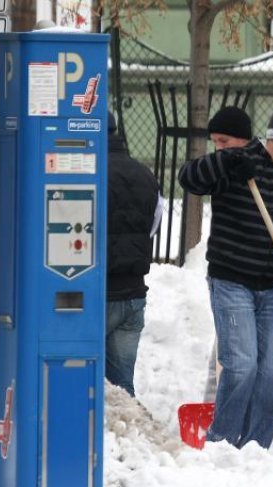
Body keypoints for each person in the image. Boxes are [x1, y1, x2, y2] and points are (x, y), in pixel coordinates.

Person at [178, 105, 273, 448]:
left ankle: (255, 447)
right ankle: (223, 443)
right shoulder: (239, 160)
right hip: (232, 280)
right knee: (241, 366)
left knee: (270, 377)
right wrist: (228, 160)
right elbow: (189, 177)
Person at [106, 111, 163, 397]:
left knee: (81, 378)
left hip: (95, 296)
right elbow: (153, 224)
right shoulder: (145, 174)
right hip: (133, 294)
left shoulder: (82, 172)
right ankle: (124, 436)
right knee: (121, 387)